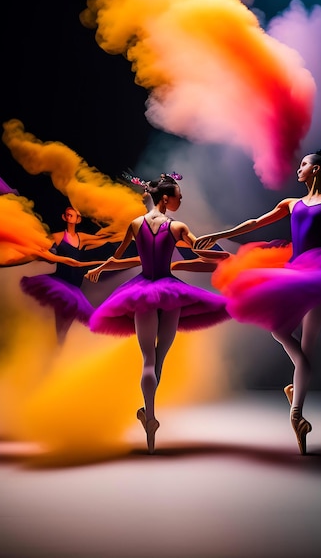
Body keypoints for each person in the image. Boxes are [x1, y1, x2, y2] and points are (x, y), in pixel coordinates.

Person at [194, 150, 321, 455]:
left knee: (306, 347)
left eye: (304, 164)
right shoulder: (291, 204)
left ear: (316, 170)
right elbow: (255, 223)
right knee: (281, 333)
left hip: (318, 277)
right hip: (292, 273)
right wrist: (219, 234)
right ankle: (296, 395)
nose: (299, 169)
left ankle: (296, 413)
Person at [85, 174, 231, 454]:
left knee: (148, 360)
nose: (180, 200)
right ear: (166, 198)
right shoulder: (177, 227)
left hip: (141, 291)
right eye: (178, 196)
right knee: (161, 355)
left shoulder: (135, 224)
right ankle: (148, 412)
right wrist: (222, 257)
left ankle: (149, 416)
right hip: (170, 291)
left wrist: (100, 269)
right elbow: (201, 250)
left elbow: (118, 257)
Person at [19, 206, 140, 346]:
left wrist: (128, 232)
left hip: (75, 284)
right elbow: (38, 252)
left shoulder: (81, 238)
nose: (70, 217)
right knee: (60, 320)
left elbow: (103, 239)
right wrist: (13, 261)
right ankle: (54, 346)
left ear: (78, 219)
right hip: (60, 282)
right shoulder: (57, 237)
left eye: (73, 215)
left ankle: (58, 347)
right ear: (64, 217)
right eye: (68, 215)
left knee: (66, 321)